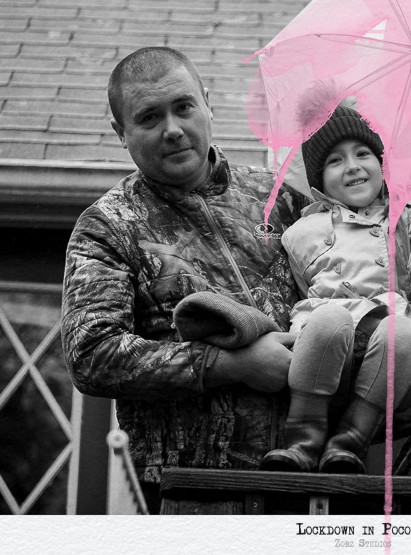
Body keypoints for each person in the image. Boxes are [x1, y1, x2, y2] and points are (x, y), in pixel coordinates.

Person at [61, 46, 307, 511]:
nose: (172, 129)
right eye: (149, 117)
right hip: (194, 490)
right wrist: (231, 364)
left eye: (183, 107)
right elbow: (91, 354)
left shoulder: (280, 200)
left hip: (311, 479)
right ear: (121, 132)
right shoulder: (109, 226)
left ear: (207, 103)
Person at [260, 95, 411, 474]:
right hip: (328, 354)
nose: (352, 166)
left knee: (402, 332)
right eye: (335, 160)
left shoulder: (402, 218)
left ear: (381, 163)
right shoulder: (300, 233)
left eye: (363, 153)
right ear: (319, 181)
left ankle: (352, 439)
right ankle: (302, 438)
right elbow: (300, 290)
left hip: (387, 354)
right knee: (328, 319)